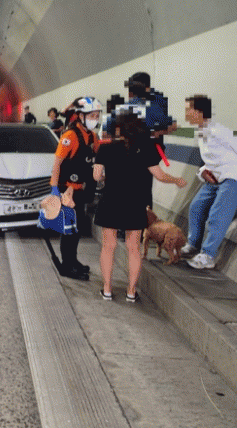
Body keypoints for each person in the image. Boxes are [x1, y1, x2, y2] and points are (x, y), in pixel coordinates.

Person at [93, 109, 187, 301]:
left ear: (118, 128)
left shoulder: (106, 148)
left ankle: (107, 289)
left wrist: (105, 177)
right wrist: (176, 180)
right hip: (135, 202)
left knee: (108, 246)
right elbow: (160, 175)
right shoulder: (146, 148)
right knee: (134, 248)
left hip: (110, 200)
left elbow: (96, 176)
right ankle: (131, 292)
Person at [102, 72, 177, 209]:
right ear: (147, 88)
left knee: (121, 190)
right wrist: (156, 133)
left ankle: (121, 218)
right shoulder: (153, 107)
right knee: (144, 190)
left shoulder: (121, 109)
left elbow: (106, 133)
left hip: (122, 158)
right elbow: (173, 126)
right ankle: (144, 217)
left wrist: (116, 144)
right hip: (145, 156)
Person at [49, 97, 102, 280]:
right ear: (80, 116)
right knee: (70, 229)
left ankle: (73, 260)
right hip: (66, 189)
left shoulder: (92, 136)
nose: (95, 119)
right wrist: (54, 190)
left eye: (97, 116)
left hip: (79, 189)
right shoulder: (69, 136)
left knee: (78, 228)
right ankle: (67, 265)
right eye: (92, 115)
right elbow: (57, 164)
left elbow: (98, 156)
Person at [181, 95, 237, 270]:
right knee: (196, 207)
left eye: (188, 110)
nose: (186, 113)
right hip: (214, 178)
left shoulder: (218, 130)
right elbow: (212, 160)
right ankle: (193, 245)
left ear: (199, 112)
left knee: (217, 216)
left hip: (232, 177)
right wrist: (202, 172)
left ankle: (208, 255)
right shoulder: (201, 132)